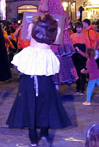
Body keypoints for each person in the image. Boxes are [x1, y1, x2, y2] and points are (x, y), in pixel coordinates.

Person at [6, 14, 72, 147]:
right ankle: (42, 134)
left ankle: (35, 137)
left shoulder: (33, 26)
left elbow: (19, 65)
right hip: (41, 70)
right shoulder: (54, 29)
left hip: (32, 73)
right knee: (44, 104)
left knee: (33, 104)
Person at [70, 22, 89, 95]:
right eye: (77, 27)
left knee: (83, 72)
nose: (78, 29)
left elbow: (88, 47)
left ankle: (82, 89)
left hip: (83, 56)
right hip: (74, 56)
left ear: (82, 28)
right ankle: (78, 87)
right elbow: (70, 47)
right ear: (75, 28)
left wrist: (87, 56)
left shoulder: (85, 37)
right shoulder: (72, 36)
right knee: (76, 72)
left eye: (80, 27)